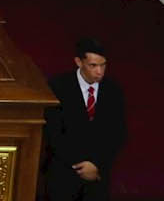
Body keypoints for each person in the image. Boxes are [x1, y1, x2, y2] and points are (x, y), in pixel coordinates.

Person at [43, 37, 125, 200]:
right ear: (78, 62)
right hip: (63, 176)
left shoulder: (113, 90)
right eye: (93, 65)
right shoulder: (57, 86)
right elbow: (52, 132)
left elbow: (118, 133)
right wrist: (80, 167)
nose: (99, 71)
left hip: (97, 178)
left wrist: (96, 166)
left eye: (103, 65)